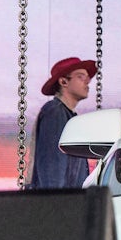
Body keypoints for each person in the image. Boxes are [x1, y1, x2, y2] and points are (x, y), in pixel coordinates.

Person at [29, 56, 96, 189]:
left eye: (88, 78)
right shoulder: (55, 112)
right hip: (59, 203)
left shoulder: (68, 116)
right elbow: (52, 164)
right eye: (81, 77)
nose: (87, 82)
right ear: (64, 81)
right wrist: (57, 202)